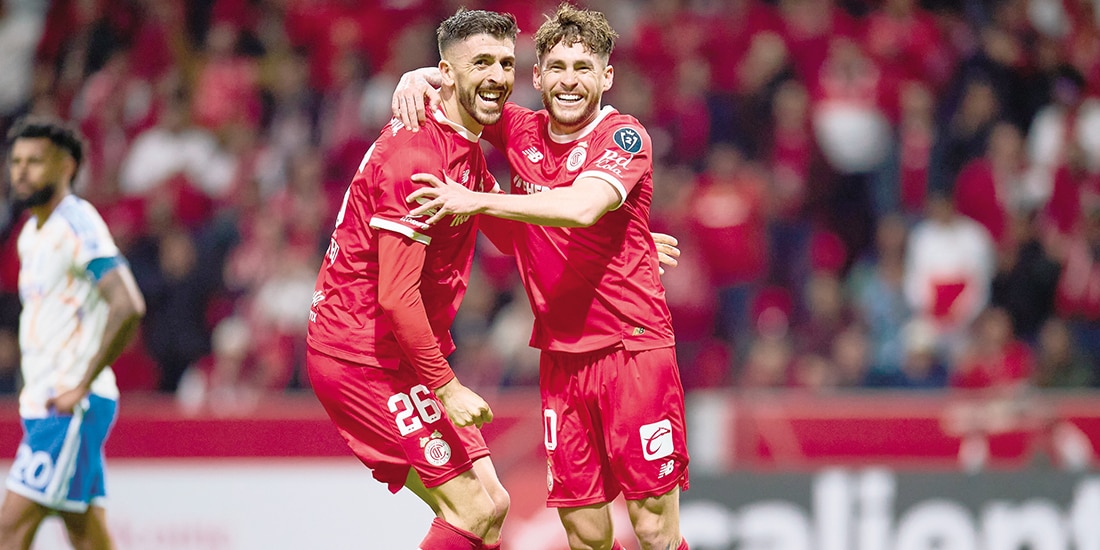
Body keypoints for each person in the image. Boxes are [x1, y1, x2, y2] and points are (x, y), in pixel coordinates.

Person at [393, 5, 691, 549]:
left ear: (606, 76)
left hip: (632, 350)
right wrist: (418, 76)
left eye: (583, 67)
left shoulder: (622, 137)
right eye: (557, 67)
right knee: (584, 531)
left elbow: (580, 207)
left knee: (652, 527)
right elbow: (466, 85)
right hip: (560, 356)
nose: (569, 81)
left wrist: (476, 199)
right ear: (537, 77)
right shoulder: (521, 129)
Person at [304, 10, 519, 550]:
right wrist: (446, 387)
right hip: (362, 355)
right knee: (470, 509)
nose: (496, 75)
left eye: (506, 62)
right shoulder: (418, 157)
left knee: (492, 506)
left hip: (396, 351)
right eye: (481, 63)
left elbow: (515, 236)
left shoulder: (460, 139)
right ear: (445, 72)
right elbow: (396, 297)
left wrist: (612, 242)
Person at [0, 116, 146, 549]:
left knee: (10, 529)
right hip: (50, 403)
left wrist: (80, 383)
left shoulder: (76, 223)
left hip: (69, 407)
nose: (21, 171)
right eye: (16, 161)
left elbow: (128, 305)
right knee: (86, 534)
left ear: (66, 166)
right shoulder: (30, 234)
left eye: (35, 161)